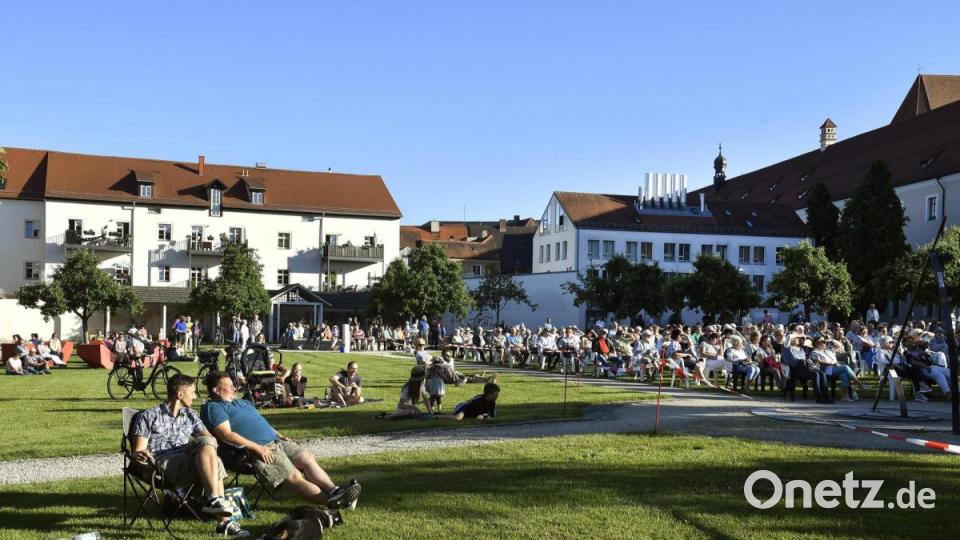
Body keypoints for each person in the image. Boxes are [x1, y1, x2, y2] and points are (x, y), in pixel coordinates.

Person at [201, 371, 362, 509]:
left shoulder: (242, 402)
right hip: (254, 450)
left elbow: (260, 423)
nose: (234, 387)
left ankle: (335, 491)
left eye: (232, 384)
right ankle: (333, 502)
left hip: (276, 441)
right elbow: (226, 434)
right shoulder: (214, 407)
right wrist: (257, 448)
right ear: (216, 390)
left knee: (306, 458)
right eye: (228, 385)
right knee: (293, 476)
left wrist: (280, 435)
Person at [130, 374, 250, 538]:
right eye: (193, 392)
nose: (195, 396)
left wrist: (200, 446)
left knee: (208, 445)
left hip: (186, 457)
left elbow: (210, 440)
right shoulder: (149, 416)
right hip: (163, 462)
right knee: (215, 460)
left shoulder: (190, 415)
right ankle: (222, 518)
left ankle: (216, 502)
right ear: (180, 394)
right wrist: (139, 455)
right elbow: (138, 449)